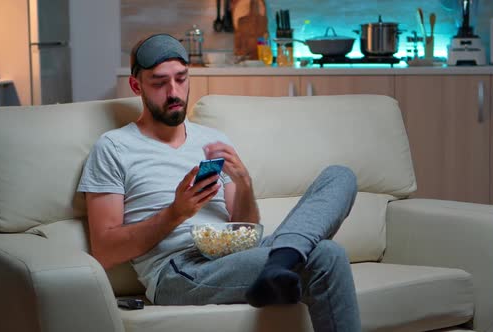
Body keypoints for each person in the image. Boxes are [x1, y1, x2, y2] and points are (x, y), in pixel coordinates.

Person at [77, 33, 361, 332]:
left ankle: (281, 260)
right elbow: (105, 251)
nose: (174, 92)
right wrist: (176, 213)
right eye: (159, 83)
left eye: (181, 79)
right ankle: (282, 262)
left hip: (237, 255)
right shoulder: (113, 147)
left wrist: (245, 183)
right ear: (137, 86)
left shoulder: (212, 140)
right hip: (178, 269)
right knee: (327, 254)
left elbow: (245, 226)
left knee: (340, 176)